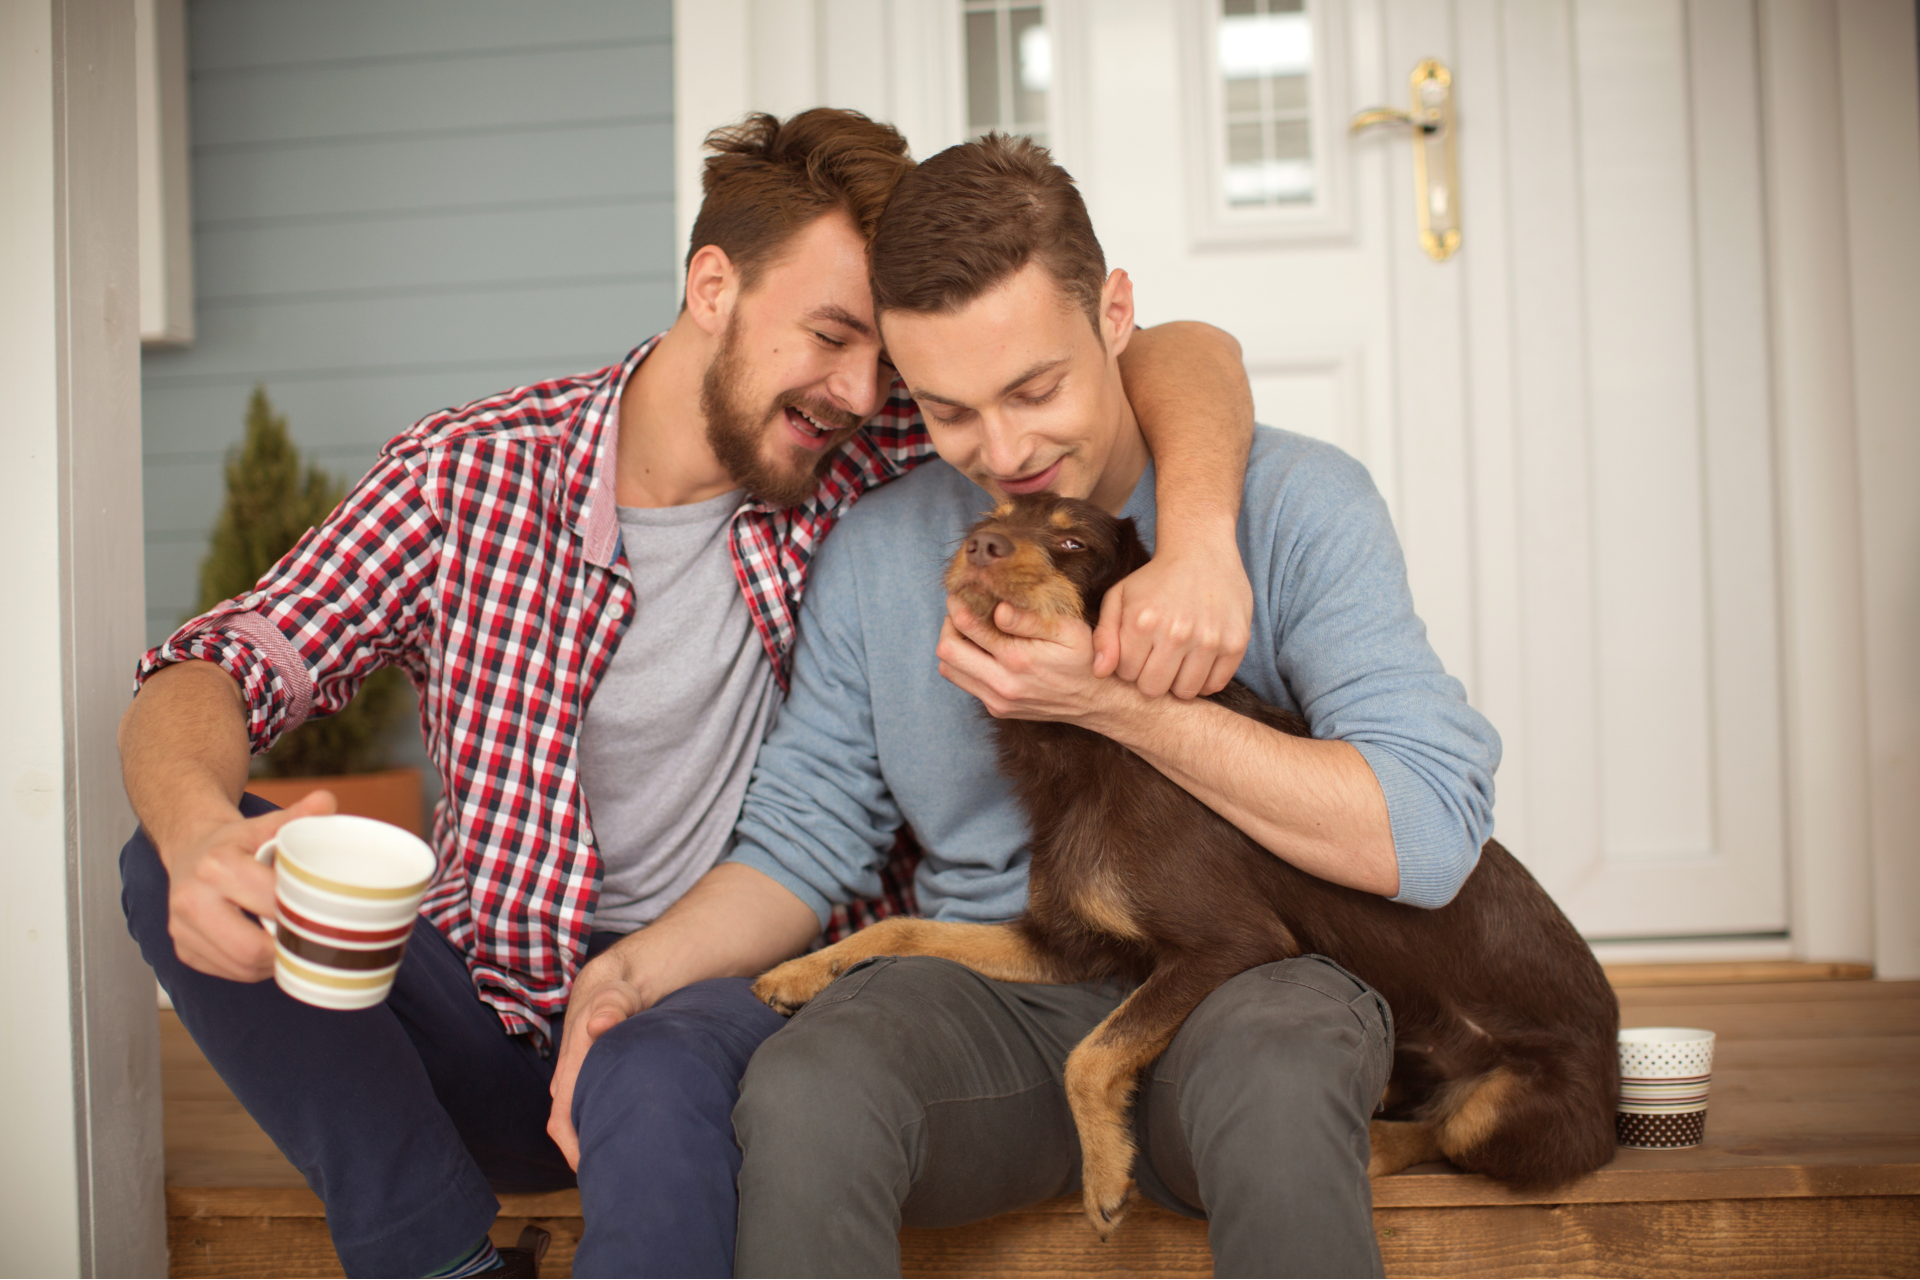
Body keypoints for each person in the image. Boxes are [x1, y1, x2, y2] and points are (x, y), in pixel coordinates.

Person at [116, 111, 1259, 1279]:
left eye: (888, 364)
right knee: (167, 859)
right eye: (829, 334)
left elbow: (1175, 351)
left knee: (651, 1070)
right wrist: (203, 829)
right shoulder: (468, 475)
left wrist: (1204, 535)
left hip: (721, 1012)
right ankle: (439, 1259)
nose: (862, 391)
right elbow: (216, 662)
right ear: (713, 283)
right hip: (492, 1011)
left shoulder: (874, 464)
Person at [676, 134, 1505, 1277]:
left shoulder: (1297, 505)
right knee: (810, 1083)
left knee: (1284, 1064)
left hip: (1249, 983)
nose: (1004, 451)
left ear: (1117, 314)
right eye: (950, 410)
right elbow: (808, 828)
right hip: (1004, 1001)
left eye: (1036, 388)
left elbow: (1427, 830)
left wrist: (1120, 698)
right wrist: (635, 973)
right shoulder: (880, 551)